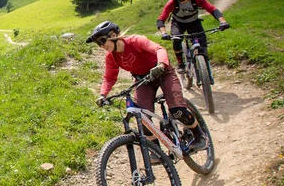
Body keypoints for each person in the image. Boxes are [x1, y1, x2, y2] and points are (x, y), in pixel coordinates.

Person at [87, 21, 207, 152]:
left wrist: (161, 64)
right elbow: (109, 77)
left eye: (102, 41)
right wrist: (102, 94)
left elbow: (159, 49)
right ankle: (157, 152)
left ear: (114, 35)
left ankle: (200, 135)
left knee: (177, 110)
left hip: (163, 73)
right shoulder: (111, 57)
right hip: (143, 80)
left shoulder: (135, 41)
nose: (101, 46)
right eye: (98, 44)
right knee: (142, 119)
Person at [157, 0, 230, 75]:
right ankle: (181, 63)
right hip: (178, 23)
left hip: (194, 22)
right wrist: (164, 33)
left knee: (203, 44)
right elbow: (161, 19)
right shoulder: (172, 2)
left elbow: (212, 9)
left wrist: (223, 22)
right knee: (176, 40)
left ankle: (204, 66)